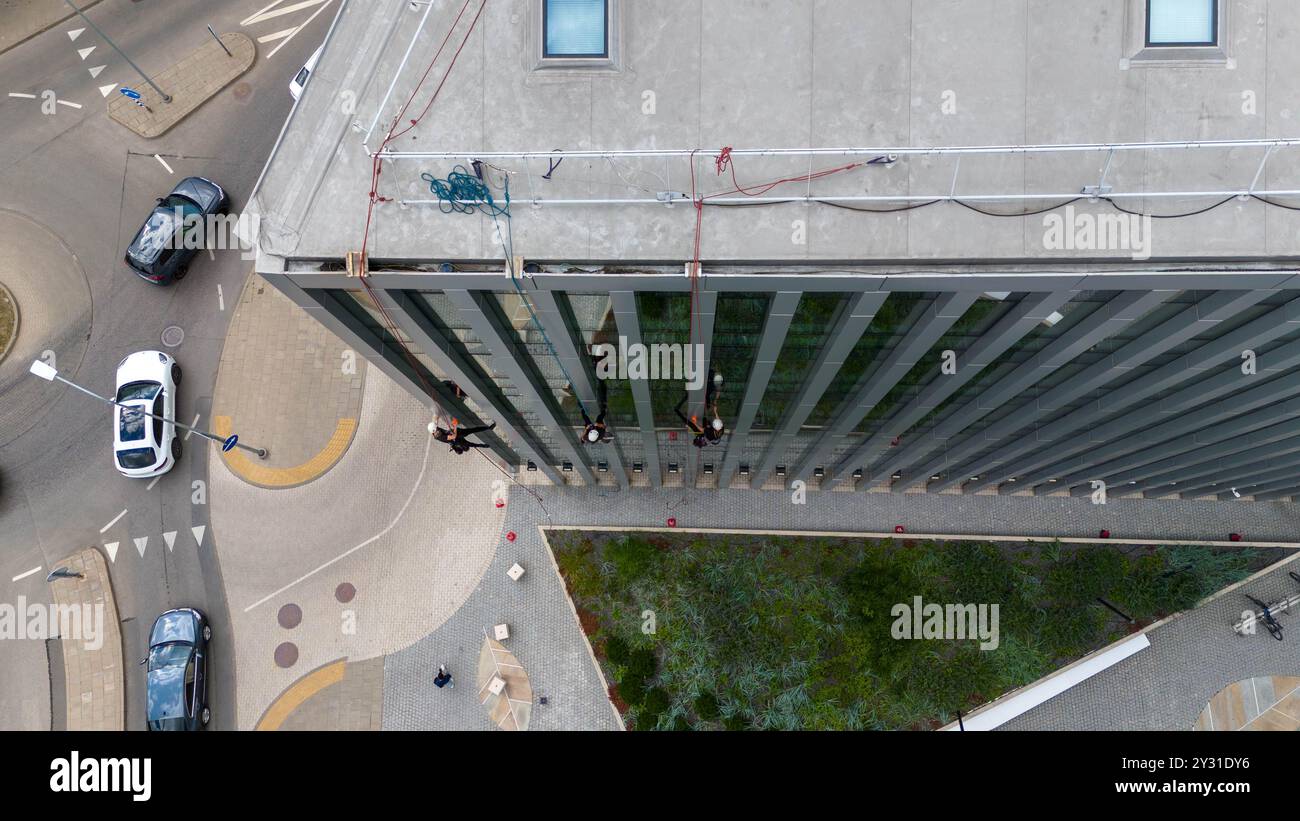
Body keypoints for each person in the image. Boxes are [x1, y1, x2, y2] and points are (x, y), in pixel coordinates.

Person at [675, 370, 726, 448]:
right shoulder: (720, 429)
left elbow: (701, 429)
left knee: (705, 394)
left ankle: (698, 377)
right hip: (708, 387)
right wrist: (715, 411)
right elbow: (717, 419)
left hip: (702, 419)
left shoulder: (710, 434)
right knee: (706, 393)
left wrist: (694, 422)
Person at [580, 352, 613, 444]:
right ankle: (598, 361)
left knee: (600, 384)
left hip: (590, 407)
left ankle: (596, 361)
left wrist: (587, 429)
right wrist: (593, 425)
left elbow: (583, 438)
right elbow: (600, 424)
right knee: (601, 385)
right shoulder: (600, 431)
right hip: (599, 404)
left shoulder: (590, 435)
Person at [429, 419, 496, 454]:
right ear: (434, 431)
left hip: (457, 433)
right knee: (471, 444)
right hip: (457, 440)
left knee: (472, 430)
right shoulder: (441, 437)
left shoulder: (435, 429)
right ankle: (485, 446)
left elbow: (435, 421)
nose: (437, 428)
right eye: (436, 428)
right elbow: (453, 437)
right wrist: (455, 426)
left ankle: (489, 428)